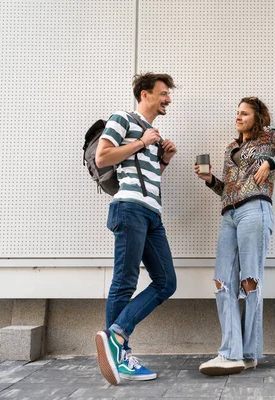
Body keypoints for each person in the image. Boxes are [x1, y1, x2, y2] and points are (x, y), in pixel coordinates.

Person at [194, 97, 275, 376]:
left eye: (244, 113)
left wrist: (271, 162)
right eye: (237, 112)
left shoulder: (270, 137)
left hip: (255, 209)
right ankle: (231, 352)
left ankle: (247, 353)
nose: (238, 116)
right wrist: (210, 180)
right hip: (229, 214)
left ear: (257, 118)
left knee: (249, 282)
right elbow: (227, 189)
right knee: (222, 281)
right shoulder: (231, 147)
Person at [94, 73, 178, 385]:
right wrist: (143, 142)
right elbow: (103, 157)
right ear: (145, 94)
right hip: (129, 208)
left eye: (168, 94)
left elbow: (146, 176)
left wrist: (164, 160)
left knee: (166, 282)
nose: (168, 99)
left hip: (151, 213)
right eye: (163, 93)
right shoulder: (124, 118)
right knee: (125, 280)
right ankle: (119, 353)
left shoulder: (153, 133)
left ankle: (115, 334)